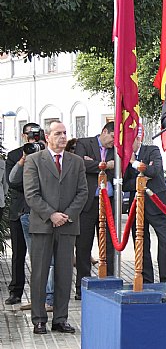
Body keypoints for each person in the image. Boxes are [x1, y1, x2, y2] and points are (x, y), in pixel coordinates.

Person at [23, 120, 88, 334]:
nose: (62, 137)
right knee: (40, 274)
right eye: (58, 133)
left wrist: (66, 215)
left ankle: (60, 319)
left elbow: (82, 192)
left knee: (64, 273)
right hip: (42, 225)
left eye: (64, 133)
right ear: (47, 137)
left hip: (67, 225)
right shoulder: (34, 161)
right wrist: (51, 214)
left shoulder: (76, 162)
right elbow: (31, 194)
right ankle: (39, 319)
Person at [122, 128, 166, 283]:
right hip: (137, 207)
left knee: (164, 241)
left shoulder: (152, 150)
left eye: (131, 142)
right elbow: (125, 184)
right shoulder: (124, 158)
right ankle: (146, 278)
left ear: (138, 140)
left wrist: (134, 163)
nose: (129, 146)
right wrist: (141, 180)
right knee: (141, 243)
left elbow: (154, 171)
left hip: (158, 205)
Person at [73, 121, 116, 299]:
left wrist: (95, 164)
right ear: (104, 131)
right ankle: (81, 288)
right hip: (88, 204)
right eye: (112, 137)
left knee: (109, 245)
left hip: (109, 203)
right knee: (83, 246)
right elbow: (80, 165)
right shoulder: (84, 143)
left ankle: (109, 283)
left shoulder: (117, 148)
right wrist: (105, 165)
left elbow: (123, 168)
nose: (113, 142)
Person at [3, 123, 40, 307]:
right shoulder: (15, 155)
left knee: (40, 254)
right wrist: (23, 161)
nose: (33, 139)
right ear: (23, 135)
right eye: (29, 135)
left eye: (36, 134)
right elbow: (13, 183)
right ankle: (16, 291)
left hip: (39, 210)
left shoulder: (45, 152)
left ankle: (41, 292)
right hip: (19, 209)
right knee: (18, 253)